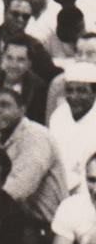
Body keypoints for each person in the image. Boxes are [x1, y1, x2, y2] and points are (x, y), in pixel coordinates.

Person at [0, 86, 68, 223]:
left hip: (47, 226)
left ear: (22, 109)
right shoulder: (1, 138)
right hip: (20, 220)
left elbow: (18, 189)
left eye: (4, 105)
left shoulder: (35, 136)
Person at [0, 0, 61, 84]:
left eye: (25, 17)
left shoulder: (35, 47)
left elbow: (50, 76)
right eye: (15, 14)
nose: (20, 20)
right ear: (5, 13)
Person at [0, 35, 49, 123]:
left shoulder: (38, 88)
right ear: (2, 58)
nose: (14, 65)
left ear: (29, 64)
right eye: (9, 58)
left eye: (20, 60)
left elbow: (37, 123)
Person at [47, 60, 96, 193]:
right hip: (58, 183)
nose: (74, 96)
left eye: (82, 91)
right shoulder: (59, 115)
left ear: (94, 92)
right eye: (69, 90)